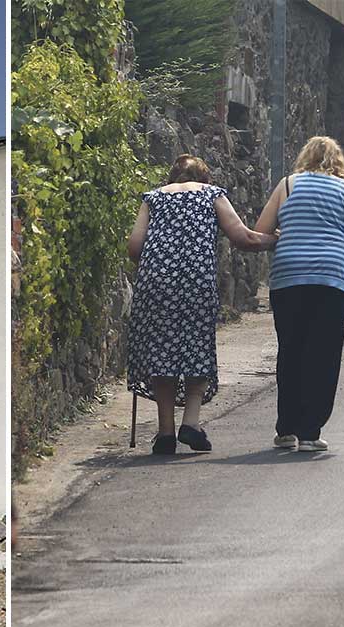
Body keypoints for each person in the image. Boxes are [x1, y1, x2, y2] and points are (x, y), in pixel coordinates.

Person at [126, 154, 277, 455]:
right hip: (196, 281)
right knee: (196, 347)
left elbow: (134, 248)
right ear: (205, 178)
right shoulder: (211, 194)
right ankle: (191, 424)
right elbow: (243, 237)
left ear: (171, 178)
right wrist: (276, 238)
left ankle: (165, 433)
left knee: (161, 351)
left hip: (156, 282)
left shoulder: (153, 198)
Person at [251, 135, 344, 452]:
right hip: (331, 281)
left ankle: (286, 429)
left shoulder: (288, 185)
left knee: (290, 351)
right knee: (323, 354)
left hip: (288, 278)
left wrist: (284, 234)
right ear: (339, 162)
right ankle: (310, 431)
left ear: (304, 158)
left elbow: (261, 230)